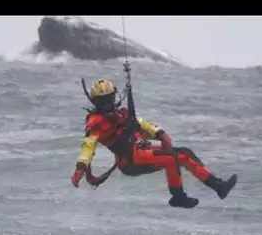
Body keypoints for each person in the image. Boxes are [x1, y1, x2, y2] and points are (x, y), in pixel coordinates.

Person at [70, 78, 237, 209]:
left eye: (109, 99)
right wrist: (80, 167)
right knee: (172, 158)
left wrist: (159, 133)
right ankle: (178, 197)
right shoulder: (96, 123)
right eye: (103, 102)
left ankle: (219, 187)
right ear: (95, 103)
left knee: (184, 154)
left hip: (143, 152)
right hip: (131, 160)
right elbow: (88, 146)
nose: (107, 105)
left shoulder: (121, 113)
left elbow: (141, 123)